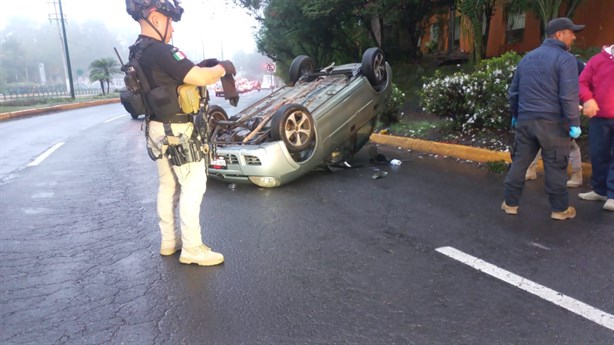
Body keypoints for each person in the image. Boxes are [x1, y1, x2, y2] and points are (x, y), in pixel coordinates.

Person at [126, 0, 236, 265]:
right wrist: (224, 68)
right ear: (155, 17)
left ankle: (169, 241)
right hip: (177, 129)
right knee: (193, 184)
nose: (172, 28)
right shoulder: (162, 51)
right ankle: (192, 248)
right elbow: (199, 77)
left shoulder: (137, 51)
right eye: (170, 21)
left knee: (168, 185)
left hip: (156, 128)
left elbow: (172, 78)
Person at [502, 17, 585, 220]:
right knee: (555, 166)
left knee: (519, 162)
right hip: (553, 124)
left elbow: (514, 93)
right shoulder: (566, 59)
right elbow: (568, 95)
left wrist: (516, 116)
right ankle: (559, 209)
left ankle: (510, 203)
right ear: (559, 35)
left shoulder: (527, 58)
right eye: (571, 32)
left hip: (526, 121)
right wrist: (574, 123)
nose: (574, 36)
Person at [525, 58, 586, 187]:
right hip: (551, 108)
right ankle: (531, 169)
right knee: (540, 137)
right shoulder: (568, 62)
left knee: (569, 143)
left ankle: (576, 175)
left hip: (563, 108)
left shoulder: (570, 63)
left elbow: (581, 84)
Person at [577, 44, 614, 211]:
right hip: (599, 118)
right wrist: (587, 99)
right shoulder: (597, 60)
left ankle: (612, 195)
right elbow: (582, 82)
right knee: (598, 154)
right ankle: (600, 190)